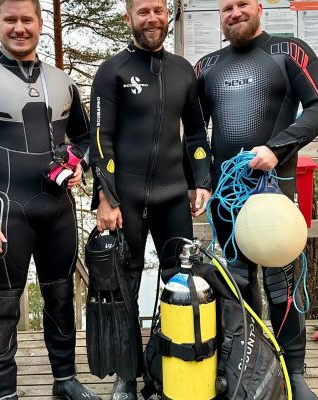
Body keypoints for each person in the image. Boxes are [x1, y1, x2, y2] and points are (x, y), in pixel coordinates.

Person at [0, 1, 100, 399]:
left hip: (58, 209)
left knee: (61, 297)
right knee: (4, 307)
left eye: (26, 19)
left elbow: (85, 139)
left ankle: (65, 380)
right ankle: (5, 394)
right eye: (9, 20)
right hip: (4, 210)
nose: (19, 28)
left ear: (40, 24)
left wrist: (76, 164)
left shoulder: (62, 82)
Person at [195, 1, 318, 399]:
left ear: (259, 7)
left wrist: (277, 148)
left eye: (242, 4)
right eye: (226, 7)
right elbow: (194, 131)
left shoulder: (289, 51)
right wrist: (201, 180)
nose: (234, 13)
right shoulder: (206, 66)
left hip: (274, 188)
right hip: (227, 193)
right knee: (238, 282)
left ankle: (294, 373)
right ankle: (252, 364)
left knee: (281, 282)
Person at [89, 0, 213, 398]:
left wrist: (201, 181)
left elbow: (196, 133)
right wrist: (106, 197)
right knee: (125, 284)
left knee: (181, 280)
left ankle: (167, 363)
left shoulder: (182, 70)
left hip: (173, 197)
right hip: (125, 200)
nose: (152, 18)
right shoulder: (112, 71)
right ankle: (127, 375)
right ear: (128, 18)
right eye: (143, 11)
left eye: (158, 10)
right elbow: (100, 140)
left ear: (168, 15)